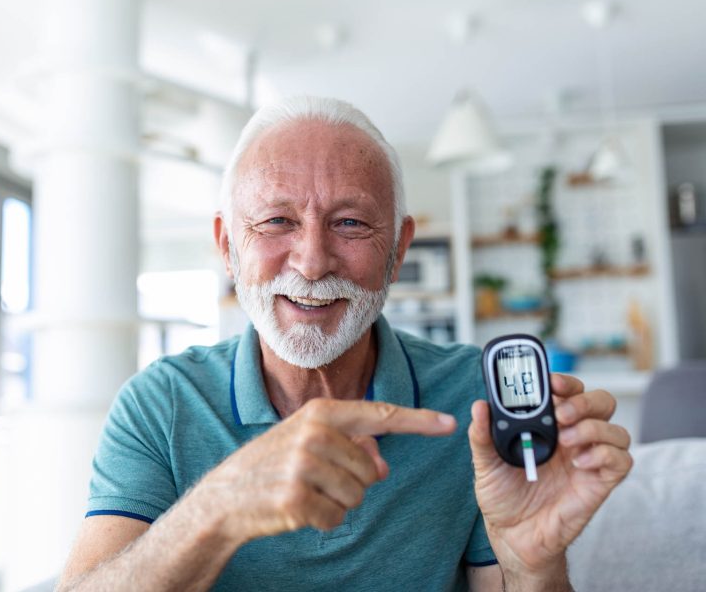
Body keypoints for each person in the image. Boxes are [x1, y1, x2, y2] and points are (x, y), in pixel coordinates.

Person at [57, 96, 633, 591]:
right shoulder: (161, 404)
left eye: (351, 223)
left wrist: (534, 566)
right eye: (277, 221)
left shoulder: (475, 397)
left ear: (399, 248)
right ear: (227, 244)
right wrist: (221, 506)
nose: (311, 262)